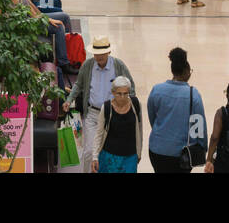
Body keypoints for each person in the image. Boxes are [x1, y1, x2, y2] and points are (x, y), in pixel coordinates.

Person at [64, 35, 137, 170]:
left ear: (108, 52)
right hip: (92, 113)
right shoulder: (88, 65)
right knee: (89, 152)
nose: (99, 57)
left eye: (102, 54)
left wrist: (128, 109)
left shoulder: (118, 65)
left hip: (112, 114)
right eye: (96, 54)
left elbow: (130, 87)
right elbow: (79, 84)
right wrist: (69, 100)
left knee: (108, 152)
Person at [146, 47, 206, 173]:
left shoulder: (156, 90)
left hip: (157, 151)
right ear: (186, 72)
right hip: (181, 155)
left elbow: (152, 118)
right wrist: (202, 147)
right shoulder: (193, 95)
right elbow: (199, 127)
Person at [92, 76, 143, 173]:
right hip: (109, 157)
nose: (122, 97)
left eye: (126, 93)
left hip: (130, 157)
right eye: (119, 94)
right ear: (113, 92)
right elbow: (99, 133)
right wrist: (95, 157)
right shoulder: (106, 107)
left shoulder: (136, 104)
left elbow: (139, 130)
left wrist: (139, 152)